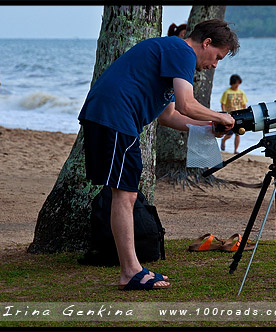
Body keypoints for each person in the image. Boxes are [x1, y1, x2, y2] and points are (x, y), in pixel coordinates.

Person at [78, 19, 238, 290]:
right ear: (207, 43)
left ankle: (132, 269)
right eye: (218, 57)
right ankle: (130, 271)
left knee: (124, 193)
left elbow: (170, 115)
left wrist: (210, 127)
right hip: (115, 116)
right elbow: (187, 104)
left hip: (111, 116)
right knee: (125, 194)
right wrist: (223, 116)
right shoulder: (182, 51)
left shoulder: (172, 52)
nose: (215, 65)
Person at [220, 74, 248, 154]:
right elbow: (223, 103)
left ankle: (235, 150)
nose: (237, 85)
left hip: (240, 116)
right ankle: (223, 140)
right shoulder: (227, 92)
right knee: (229, 134)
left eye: (238, 83)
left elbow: (244, 104)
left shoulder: (241, 92)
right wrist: (224, 114)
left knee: (238, 133)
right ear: (232, 83)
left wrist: (245, 113)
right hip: (230, 116)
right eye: (236, 83)